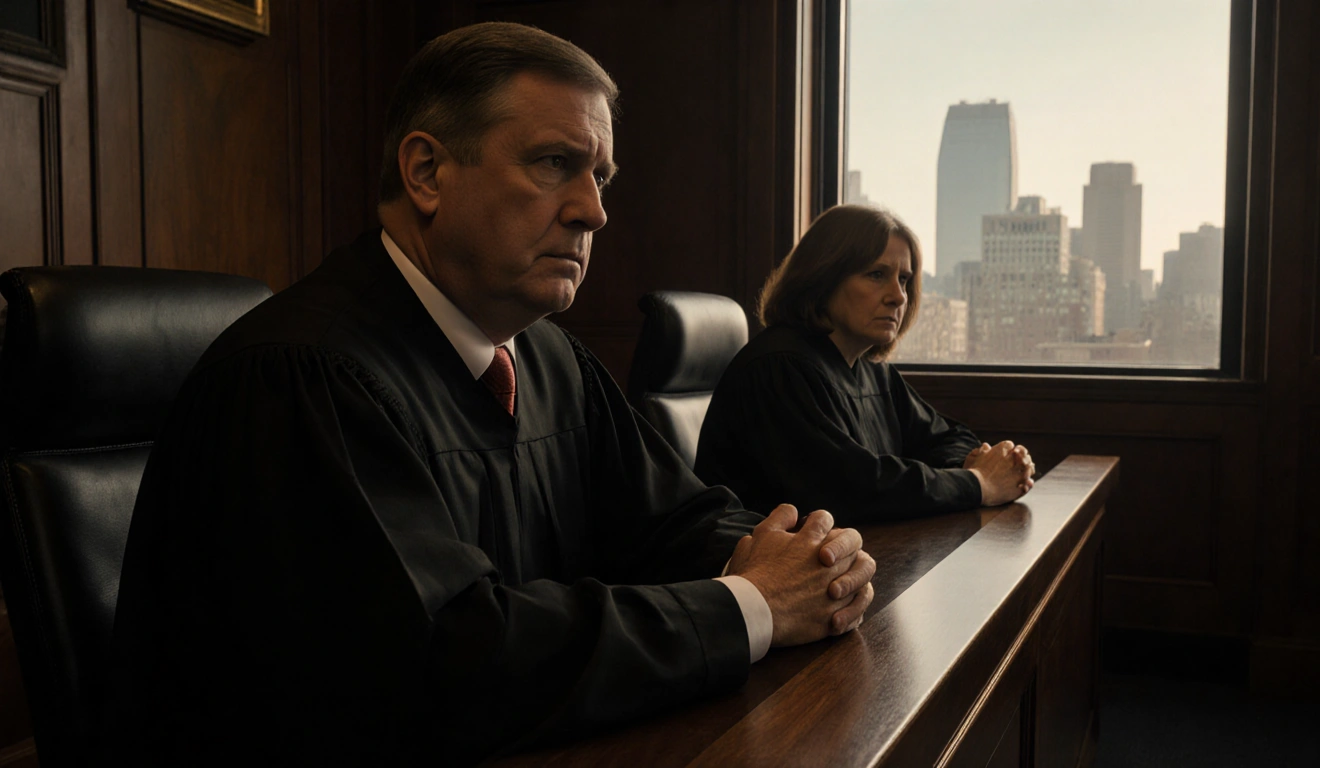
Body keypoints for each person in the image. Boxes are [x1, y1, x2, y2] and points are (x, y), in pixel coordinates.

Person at [104, 23, 875, 765]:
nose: (593, 210)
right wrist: (752, 606)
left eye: (600, 177)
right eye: (553, 163)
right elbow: (449, 656)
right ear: (426, 173)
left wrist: (805, 561)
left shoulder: (549, 358)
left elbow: (673, 521)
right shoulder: (304, 377)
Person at [696, 204, 1035, 525]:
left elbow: (949, 438)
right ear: (821, 277)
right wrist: (978, 483)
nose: (898, 296)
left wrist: (972, 463)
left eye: (904, 279)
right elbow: (854, 488)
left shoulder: (873, 371)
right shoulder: (779, 367)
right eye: (876, 275)